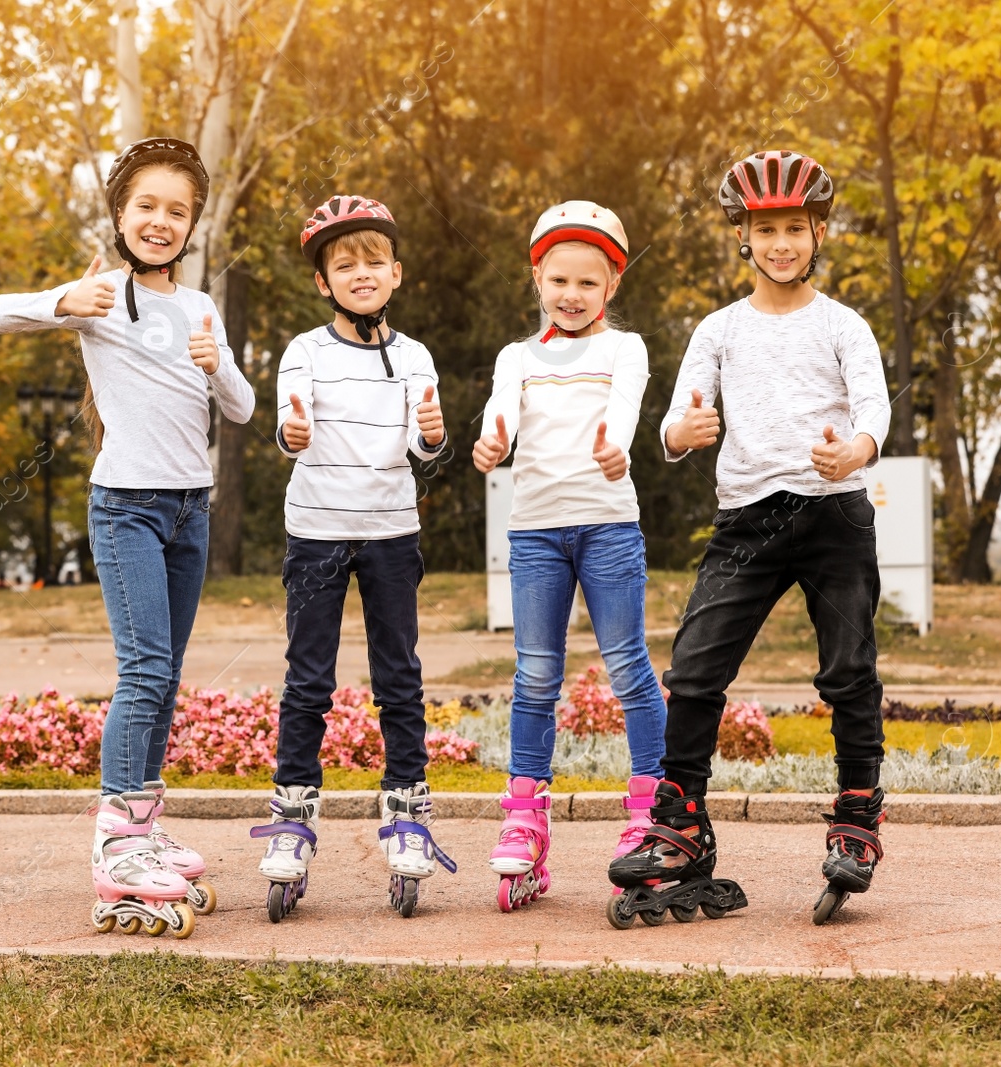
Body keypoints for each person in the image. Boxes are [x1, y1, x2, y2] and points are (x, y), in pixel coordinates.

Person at [0, 137, 254, 938]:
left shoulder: (200, 307)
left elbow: (238, 409)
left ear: (191, 222)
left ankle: (144, 823)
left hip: (187, 509)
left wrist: (216, 363)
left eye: (177, 210)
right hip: (126, 504)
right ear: (121, 214)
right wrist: (63, 303)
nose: (161, 221)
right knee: (145, 667)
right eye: (147, 206)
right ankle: (116, 843)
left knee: (166, 675)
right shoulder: (99, 291)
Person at [609, 150, 891, 929]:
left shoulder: (843, 324)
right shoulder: (720, 328)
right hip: (747, 518)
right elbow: (674, 418)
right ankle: (682, 821)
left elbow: (875, 406)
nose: (781, 243)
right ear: (745, 234)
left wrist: (857, 450)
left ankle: (858, 814)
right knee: (695, 670)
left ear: (819, 231)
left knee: (848, 670)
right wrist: (683, 432)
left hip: (835, 514)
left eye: (795, 228)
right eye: (766, 229)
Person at [249, 195, 455, 921]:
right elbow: (289, 423)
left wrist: (431, 435)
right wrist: (293, 434)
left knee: (399, 678)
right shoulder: (306, 352)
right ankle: (293, 823)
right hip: (316, 534)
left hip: (392, 532)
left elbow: (424, 449)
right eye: (344, 264)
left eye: (373, 261)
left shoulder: (418, 356)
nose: (360, 273)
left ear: (395, 273)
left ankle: (406, 817)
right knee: (308, 681)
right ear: (323, 282)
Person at [470, 201, 668, 913]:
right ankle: (525, 817)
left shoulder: (626, 348)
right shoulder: (517, 357)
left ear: (611, 285)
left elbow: (626, 406)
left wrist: (615, 444)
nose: (571, 294)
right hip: (536, 532)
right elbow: (501, 414)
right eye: (558, 279)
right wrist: (492, 444)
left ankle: (651, 811)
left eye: (588, 282)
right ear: (538, 279)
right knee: (534, 675)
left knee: (629, 668)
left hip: (609, 524)